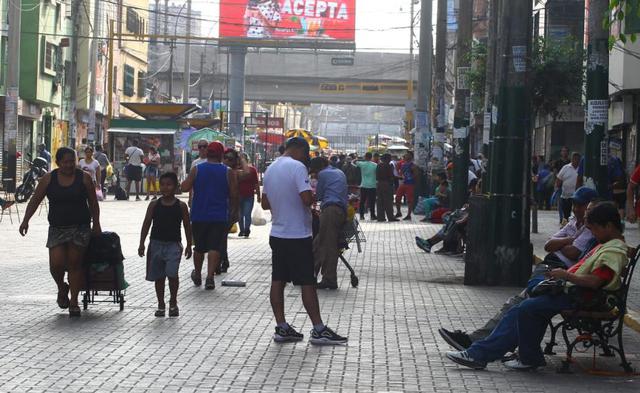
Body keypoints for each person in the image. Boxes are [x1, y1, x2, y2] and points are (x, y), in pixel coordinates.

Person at [445, 202, 628, 370]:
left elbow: (595, 281)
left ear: (609, 226)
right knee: (525, 306)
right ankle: (509, 354)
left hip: (583, 297)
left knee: (526, 307)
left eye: (595, 229)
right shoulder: (607, 245)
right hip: (575, 293)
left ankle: (484, 354)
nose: (593, 234)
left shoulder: (613, 250)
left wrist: (566, 275)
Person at [439, 188, 599, 351]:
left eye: (581, 206)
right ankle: (478, 341)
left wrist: (561, 246)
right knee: (515, 305)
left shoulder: (591, 232)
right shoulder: (574, 223)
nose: (576, 209)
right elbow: (549, 245)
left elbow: (574, 253)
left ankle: (481, 346)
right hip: (550, 270)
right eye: (575, 204)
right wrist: (570, 240)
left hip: (559, 274)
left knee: (519, 307)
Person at [262, 137, 347, 345]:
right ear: (299, 149)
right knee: (307, 282)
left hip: (278, 233)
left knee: (278, 280)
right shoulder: (298, 167)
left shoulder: (271, 168)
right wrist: (309, 198)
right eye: (306, 153)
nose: (306, 158)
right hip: (297, 235)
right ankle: (318, 330)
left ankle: (282, 327)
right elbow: (307, 199)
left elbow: (264, 203)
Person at [19, 147, 101, 317]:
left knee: (74, 263)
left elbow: (93, 203)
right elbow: (35, 200)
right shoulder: (49, 179)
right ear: (58, 163)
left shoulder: (84, 178)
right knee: (55, 265)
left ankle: (74, 301)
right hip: (57, 228)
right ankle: (62, 287)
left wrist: (97, 224)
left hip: (80, 227)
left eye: (72, 161)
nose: (69, 165)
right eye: (66, 162)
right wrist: (26, 220)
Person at [181, 142, 238, 290]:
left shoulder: (197, 169)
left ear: (208, 153)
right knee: (214, 247)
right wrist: (234, 212)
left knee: (199, 247)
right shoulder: (228, 171)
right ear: (221, 155)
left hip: (199, 214)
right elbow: (234, 195)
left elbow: (185, 187)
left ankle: (198, 274)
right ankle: (210, 277)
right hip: (219, 216)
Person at [139, 172, 192, 318]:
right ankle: (161, 304)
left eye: (169, 185)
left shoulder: (181, 206)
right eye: (162, 184)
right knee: (159, 276)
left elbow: (187, 226)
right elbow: (146, 223)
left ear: (175, 187)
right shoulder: (154, 205)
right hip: (156, 244)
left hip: (174, 245)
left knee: (172, 274)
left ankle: (173, 302)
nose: (165, 188)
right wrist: (142, 243)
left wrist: (189, 245)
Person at [310, 157, 348, 290]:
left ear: (318, 168)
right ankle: (308, 274)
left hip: (331, 210)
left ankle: (329, 279)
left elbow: (319, 196)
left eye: (313, 172)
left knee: (328, 246)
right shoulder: (338, 172)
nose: (313, 175)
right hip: (340, 211)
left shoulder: (323, 174)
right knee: (318, 243)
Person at [238, 153, 261, 238]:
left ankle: (247, 229)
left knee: (247, 213)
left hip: (249, 196)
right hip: (238, 195)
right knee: (240, 214)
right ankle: (241, 230)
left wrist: (258, 195)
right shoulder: (236, 170)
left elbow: (256, 183)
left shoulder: (252, 170)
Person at [555, 152, 581, 225]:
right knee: (566, 214)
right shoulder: (566, 167)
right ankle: (565, 226)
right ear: (572, 159)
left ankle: (575, 226)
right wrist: (557, 187)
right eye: (574, 159)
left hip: (577, 195)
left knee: (577, 213)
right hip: (566, 195)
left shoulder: (581, 168)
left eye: (577, 159)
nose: (576, 160)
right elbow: (559, 179)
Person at [395, 151, 420, 220]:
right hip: (404, 183)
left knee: (409, 200)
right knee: (397, 198)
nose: (405, 156)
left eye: (407, 155)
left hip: (410, 184)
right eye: (405, 155)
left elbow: (416, 176)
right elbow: (400, 173)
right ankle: (399, 212)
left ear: (411, 157)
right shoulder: (403, 165)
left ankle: (409, 214)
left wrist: (413, 182)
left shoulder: (413, 166)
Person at [376, 153, 399, 222]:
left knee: (380, 202)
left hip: (379, 184)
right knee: (388, 201)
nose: (390, 160)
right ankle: (390, 217)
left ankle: (380, 217)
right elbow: (391, 176)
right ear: (387, 159)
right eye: (390, 158)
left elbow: (377, 176)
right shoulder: (388, 166)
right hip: (387, 185)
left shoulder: (379, 165)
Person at [356, 152, 378, 220]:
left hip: (364, 185)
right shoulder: (375, 165)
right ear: (371, 157)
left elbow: (354, 161)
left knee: (362, 201)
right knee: (372, 201)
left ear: (365, 157)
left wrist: (363, 159)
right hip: (372, 185)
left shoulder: (362, 164)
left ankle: (362, 216)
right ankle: (372, 215)